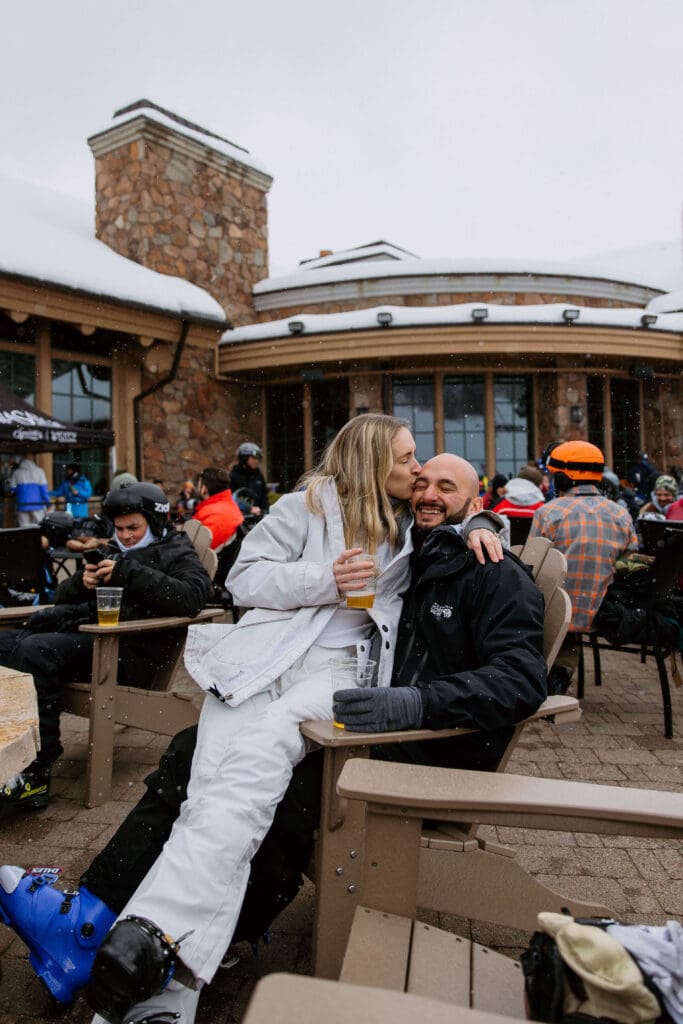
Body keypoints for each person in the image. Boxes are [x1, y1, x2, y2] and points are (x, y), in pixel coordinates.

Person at [0, 452, 537, 1024]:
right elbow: (337, 497)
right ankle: (107, 922)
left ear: (475, 502)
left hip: (423, 750)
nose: (428, 494)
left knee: (265, 784)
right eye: (420, 482)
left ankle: (150, 950)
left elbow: (521, 679)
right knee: (193, 750)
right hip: (370, 726)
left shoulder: (494, 572)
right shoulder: (422, 550)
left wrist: (418, 701)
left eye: (447, 488)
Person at [0, 482, 213, 818]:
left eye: (134, 528)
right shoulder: (115, 552)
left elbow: (193, 595)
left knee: (36, 652)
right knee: (7, 646)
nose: (125, 536)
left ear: (155, 524)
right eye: (119, 528)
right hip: (93, 642)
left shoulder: (175, 551)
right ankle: (11, 750)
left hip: (125, 656)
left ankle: (35, 771)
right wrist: (79, 583)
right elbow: (65, 598)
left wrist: (128, 571)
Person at [528, 440, 637, 691]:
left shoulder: (548, 512)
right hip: (604, 612)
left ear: (563, 479)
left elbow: (533, 567)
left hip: (556, 613)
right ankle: (560, 673)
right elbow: (629, 563)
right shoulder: (621, 514)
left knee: (545, 595)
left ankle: (550, 672)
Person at [193, 467, 243, 550]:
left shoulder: (214, 514)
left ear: (204, 489)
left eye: (198, 484)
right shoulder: (228, 506)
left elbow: (196, 551)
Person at [229, 441, 269, 515]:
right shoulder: (234, 476)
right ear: (244, 458)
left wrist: (264, 511)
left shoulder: (258, 475)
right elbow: (231, 499)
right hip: (240, 517)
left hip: (258, 516)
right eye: (253, 458)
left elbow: (264, 496)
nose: (256, 461)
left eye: (258, 458)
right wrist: (248, 509)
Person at [9, 453, 50, 525]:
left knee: (24, 527)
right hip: (37, 504)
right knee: (41, 524)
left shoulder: (17, 472)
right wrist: (48, 503)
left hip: (22, 503)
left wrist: (18, 491)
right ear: (33, 458)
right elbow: (44, 490)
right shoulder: (39, 471)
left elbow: (12, 488)